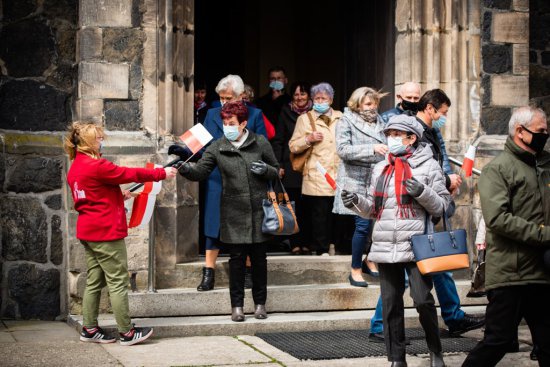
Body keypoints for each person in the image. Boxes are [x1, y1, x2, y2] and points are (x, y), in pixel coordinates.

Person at [369, 84, 485, 342]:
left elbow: (435, 167)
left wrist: (445, 181)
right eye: (442, 111)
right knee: (405, 272)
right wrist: (443, 180)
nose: (443, 116)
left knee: (435, 264)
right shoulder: (411, 132)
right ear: (430, 109)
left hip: (424, 211)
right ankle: (381, 325)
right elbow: (411, 171)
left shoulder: (433, 133)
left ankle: (452, 316)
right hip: (407, 215)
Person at [341, 115, 450, 367]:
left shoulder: (429, 165)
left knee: (423, 300)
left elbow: (443, 206)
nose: (390, 139)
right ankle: (396, 358)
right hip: (385, 243)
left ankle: (435, 351)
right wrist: (355, 201)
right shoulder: (381, 167)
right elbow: (372, 208)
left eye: (396, 134)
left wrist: (421, 192)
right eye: (388, 134)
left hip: (416, 244)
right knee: (391, 305)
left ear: (411, 138)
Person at [64, 122, 177, 345]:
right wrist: (160, 173)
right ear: (87, 142)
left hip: (89, 230)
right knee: (117, 282)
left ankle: (89, 328)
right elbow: (127, 173)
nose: (101, 140)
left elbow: (91, 195)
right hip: (105, 232)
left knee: (94, 282)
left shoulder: (77, 165)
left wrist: (118, 196)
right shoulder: (96, 165)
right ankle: (126, 332)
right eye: (98, 138)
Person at [463, 106, 550, 367]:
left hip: (541, 273)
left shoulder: (545, 165)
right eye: (541, 131)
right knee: (498, 341)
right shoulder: (497, 169)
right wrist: (544, 235)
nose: (545, 135)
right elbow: (498, 220)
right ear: (520, 132)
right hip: (511, 274)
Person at [178, 101, 280, 322]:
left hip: (259, 211)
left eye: (231, 123)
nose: (227, 126)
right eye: (225, 122)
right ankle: (237, 306)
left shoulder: (259, 142)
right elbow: (201, 171)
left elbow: (278, 171)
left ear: (243, 123)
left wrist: (267, 170)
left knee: (259, 260)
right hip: (233, 212)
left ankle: (260, 304)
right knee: (236, 261)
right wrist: (184, 168)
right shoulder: (218, 146)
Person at [169, 75, 267, 292]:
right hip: (215, 177)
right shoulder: (212, 113)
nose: (224, 101)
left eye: (228, 97)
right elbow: (200, 145)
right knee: (213, 224)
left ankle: (248, 271)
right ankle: (208, 272)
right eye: (221, 97)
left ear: (241, 96)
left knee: (246, 225)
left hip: (245, 179)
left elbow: (262, 147)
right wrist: (185, 151)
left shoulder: (255, 114)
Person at [332, 87, 388, 286]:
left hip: (377, 178)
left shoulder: (382, 122)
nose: (372, 108)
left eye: (375, 104)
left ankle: (370, 259)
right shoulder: (345, 121)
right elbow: (342, 149)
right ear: (357, 104)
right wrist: (371, 148)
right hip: (354, 178)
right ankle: (355, 269)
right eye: (368, 104)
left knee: (378, 224)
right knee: (362, 225)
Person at [289, 82, 342, 255]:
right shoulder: (304, 119)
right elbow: (293, 146)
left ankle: (337, 245)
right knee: (320, 215)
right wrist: (308, 139)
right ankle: (321, 249)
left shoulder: (342, 117)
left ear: (331, 99)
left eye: (324, 98)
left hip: (339, 173)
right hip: (316, 174)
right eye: (317, 98)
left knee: (338, 214)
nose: (320, 101)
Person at [271, 81, 312, 255]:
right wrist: (278, 165)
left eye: (303, 94)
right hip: (290, 165)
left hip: (311, 165)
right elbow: (279, 140)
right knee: (292, 205)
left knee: (309, 206)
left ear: (308, 96)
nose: (299, 97)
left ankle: (309, 242)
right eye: (296, 94)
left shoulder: (315, 113)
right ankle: (295, 243)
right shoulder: (285, 112)